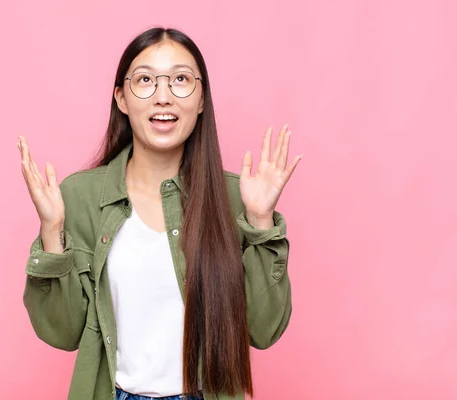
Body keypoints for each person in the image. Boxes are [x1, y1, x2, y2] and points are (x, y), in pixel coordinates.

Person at [18, 27, 301, 400]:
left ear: (201, 99)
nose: (163, 97)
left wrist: (261, 222)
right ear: (121, 97)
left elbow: (263, 331)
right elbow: (63, 332)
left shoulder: (238, 198)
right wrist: (53, 232)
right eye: (146, 80)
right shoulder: (80, 196)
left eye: (181, 79)